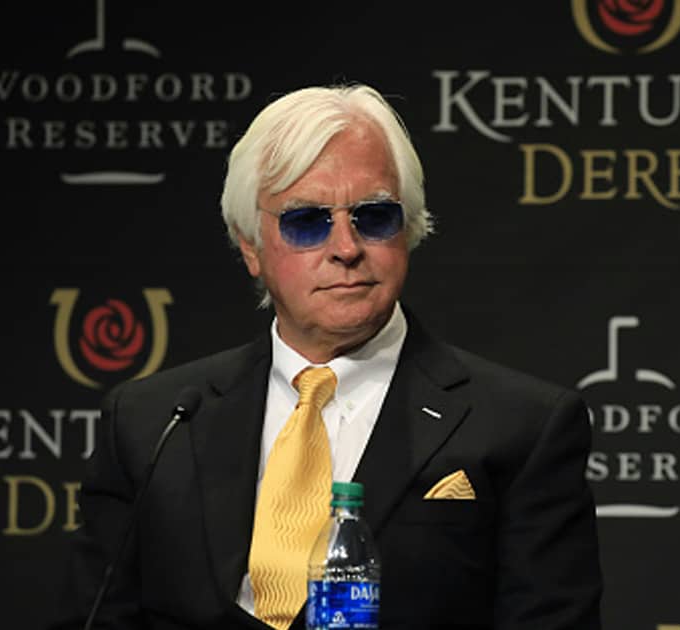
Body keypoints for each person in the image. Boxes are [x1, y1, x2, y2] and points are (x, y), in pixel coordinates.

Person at [50, 83, 602, 630]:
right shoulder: (151, 421)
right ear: (250, 247)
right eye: (307, 221)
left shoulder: (521, 426)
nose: (345, 248)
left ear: (408, 230)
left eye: (375, 215)